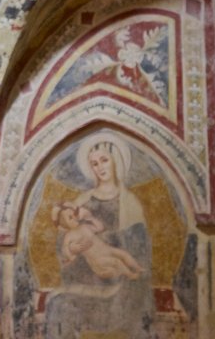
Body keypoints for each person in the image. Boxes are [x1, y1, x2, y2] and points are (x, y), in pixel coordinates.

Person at [44, 139, 153, 338]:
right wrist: (74, 251)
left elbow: (140, 252)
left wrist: (105, 243)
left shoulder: (130, 202)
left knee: (134, 304)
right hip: (89, 281)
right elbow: (65, 251)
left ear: (116, 162)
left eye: (104, 160)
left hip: (120, 285)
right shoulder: (81, 202)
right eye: (94, 163)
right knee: (57, 303)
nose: (100, 167)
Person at [52, 202, 143, 280]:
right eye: (70, 217)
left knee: (123, 254)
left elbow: (100, 228)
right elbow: (66, 250)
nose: (75, 218)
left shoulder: (84, 226)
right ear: (63, 224)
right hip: (97, 259)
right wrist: (72, 248)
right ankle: (130, 275)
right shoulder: (69, 236)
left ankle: (138, 268)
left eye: (74, 214)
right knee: (116, 262)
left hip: (107, 249)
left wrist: (90, 218)